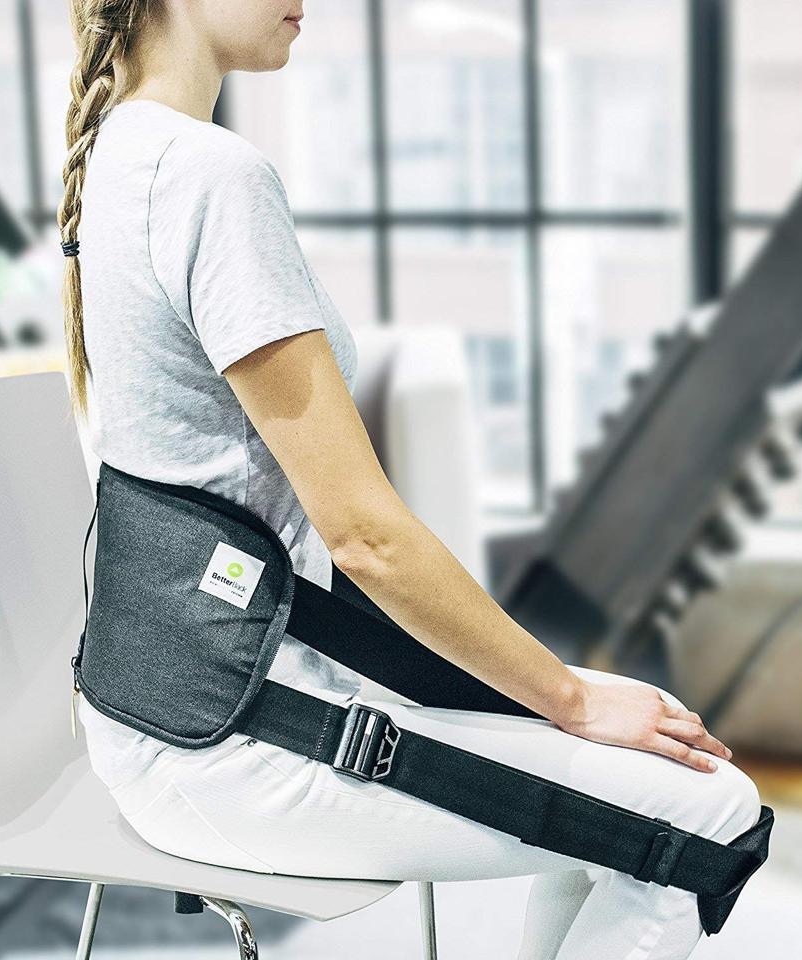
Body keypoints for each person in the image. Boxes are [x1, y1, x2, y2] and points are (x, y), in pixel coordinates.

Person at [58, 3, 762, 958]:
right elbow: (364, 538)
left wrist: (567, 702)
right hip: (231, 737)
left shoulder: (120, 153)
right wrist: (570, 700)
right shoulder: (209, 175)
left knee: (625, 774)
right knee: (711, 815)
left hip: (175, 711)